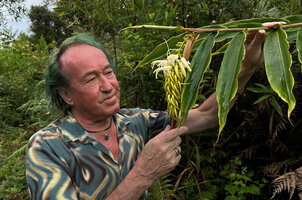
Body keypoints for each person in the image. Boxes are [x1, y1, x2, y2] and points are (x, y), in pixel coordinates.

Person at [26, 22, 281, 200]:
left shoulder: (136, 122)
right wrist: (142, 174)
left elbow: (207, 115)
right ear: (66, 94)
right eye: (91, 79)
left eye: (108, 72)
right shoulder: (47, 147)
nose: (108, 86)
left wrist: (246, 65)